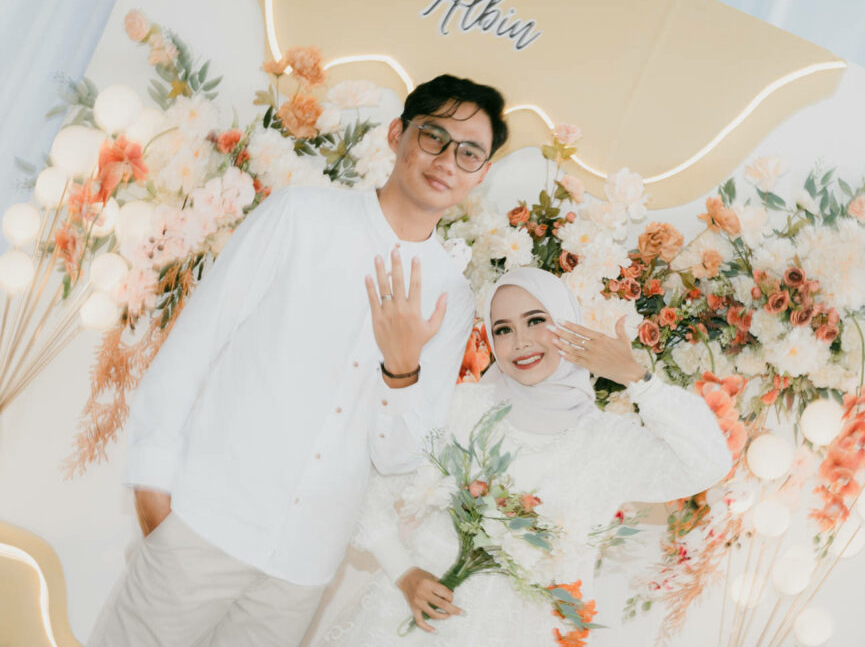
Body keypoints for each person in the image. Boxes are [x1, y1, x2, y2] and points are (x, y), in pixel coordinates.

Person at [89, 74, 508, 647]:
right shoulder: (301, 215)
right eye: (434, 136)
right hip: (203, 520)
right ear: (398, 134)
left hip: (303, 565)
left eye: (469, 153)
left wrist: (401, 370)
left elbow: (401, 456)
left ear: (481, 173)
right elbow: (194, 343)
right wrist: (153, 490)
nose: (446, 161)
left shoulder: (450, 296)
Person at [322, 267, 732, 645]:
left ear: (568, 323)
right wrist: (403, 571)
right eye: (503, 329)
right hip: (419, 628)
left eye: (536, 321)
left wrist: (637, 379)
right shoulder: (464, 408)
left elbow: (708, 463)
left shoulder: (607, 442)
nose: (520, 342)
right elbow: (373, 481)